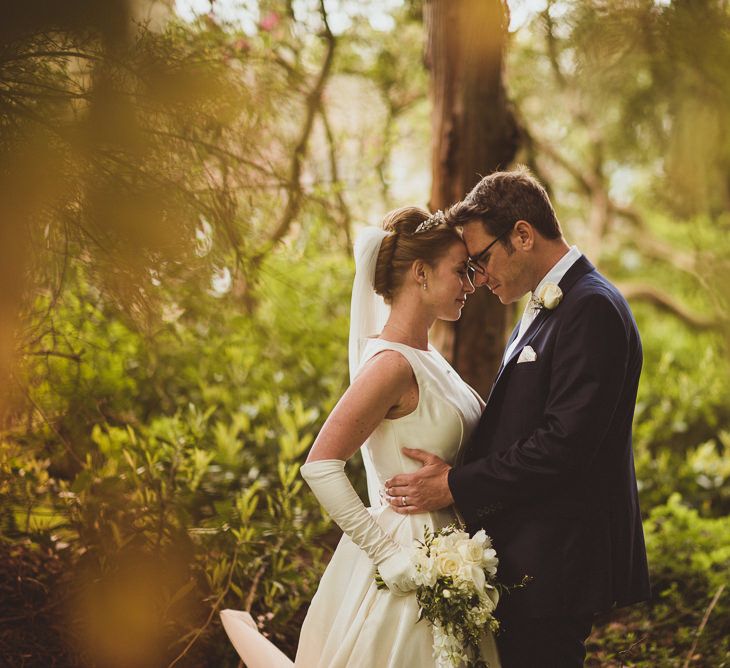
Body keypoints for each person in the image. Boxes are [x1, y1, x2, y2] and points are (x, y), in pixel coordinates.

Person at [383, 167, 651, 667]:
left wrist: (455, 485)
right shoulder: (548, 306)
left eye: (481, 259)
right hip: (533, 558)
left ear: (522, 235)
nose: (478, 278)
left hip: (557, 563)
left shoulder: (591, 307)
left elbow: (563, 445)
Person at [221, 206, 501, 667]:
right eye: (461, 272)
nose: (471, 285)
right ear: (420, 273)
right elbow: (319, 465)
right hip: (411, 556)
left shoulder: (429, 356)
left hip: (454, 548)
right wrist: (388, 556)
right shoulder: (391, 364)